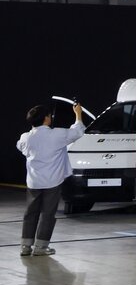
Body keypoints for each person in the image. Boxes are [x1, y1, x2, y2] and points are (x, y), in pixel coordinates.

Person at [16, 103, 85, 257]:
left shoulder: (26, 137)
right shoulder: (57, 135)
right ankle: (41, 247)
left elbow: (20, 147)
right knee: (47, 214)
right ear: (46, 119)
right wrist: (78, 113)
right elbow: (78, 131)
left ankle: (25, 246)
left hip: (34, 182)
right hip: (52, 181)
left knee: (30, 213)